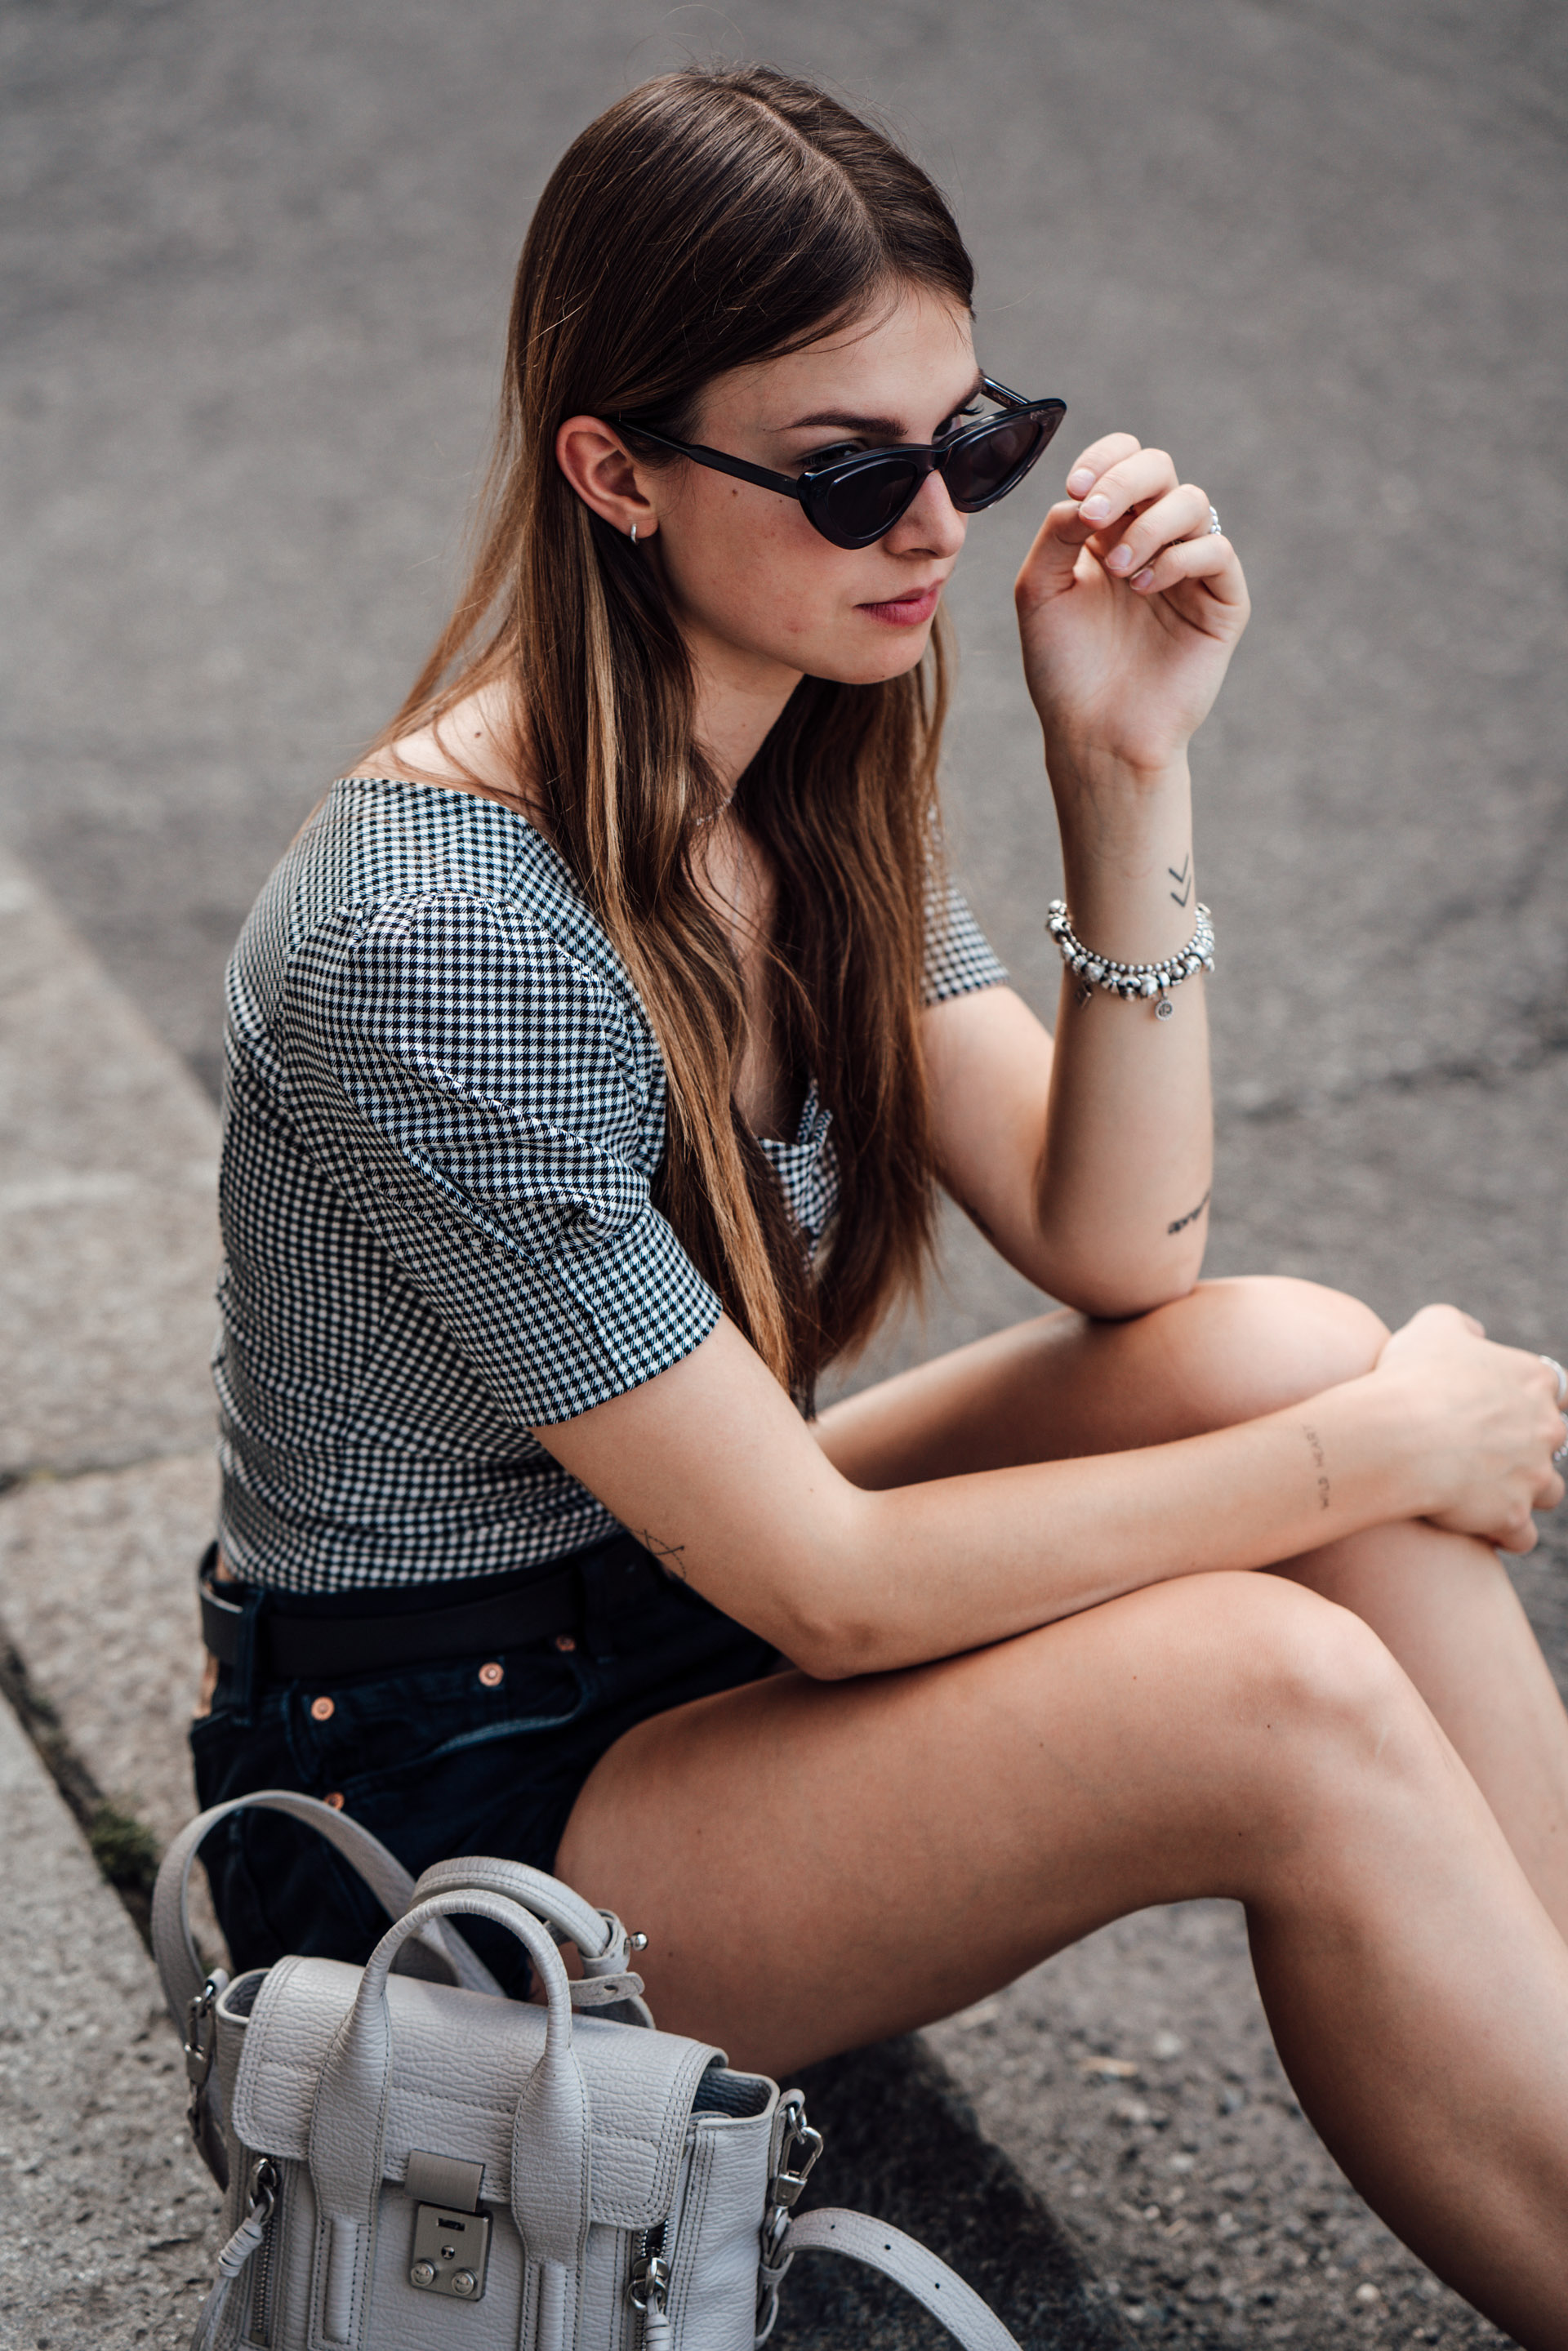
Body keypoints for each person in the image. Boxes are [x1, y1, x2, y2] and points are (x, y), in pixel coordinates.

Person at [193, 64, 1568, 2344]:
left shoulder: (792, 747)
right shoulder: (433, 935)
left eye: (975, 441)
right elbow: (829, 1591)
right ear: (613, 472)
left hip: (663, 1605)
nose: (930, 525)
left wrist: (1126, 764)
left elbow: (1124, 1250)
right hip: (454, 1810)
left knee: (1280, 1352)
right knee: (1275, 1686)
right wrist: (1373, 1465)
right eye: (848, 474)